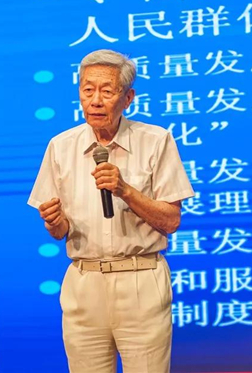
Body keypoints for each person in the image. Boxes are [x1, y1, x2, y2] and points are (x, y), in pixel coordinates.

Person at [28, 49, 194, 373]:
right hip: (84, 282)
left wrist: (125, 190)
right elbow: (59, 231)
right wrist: (54, 222)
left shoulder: (156, 140)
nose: (95, 100)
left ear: (128, 98)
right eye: (88, 90)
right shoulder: (60, 146)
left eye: (107, 91)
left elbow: (171, 220)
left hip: (140, 279)